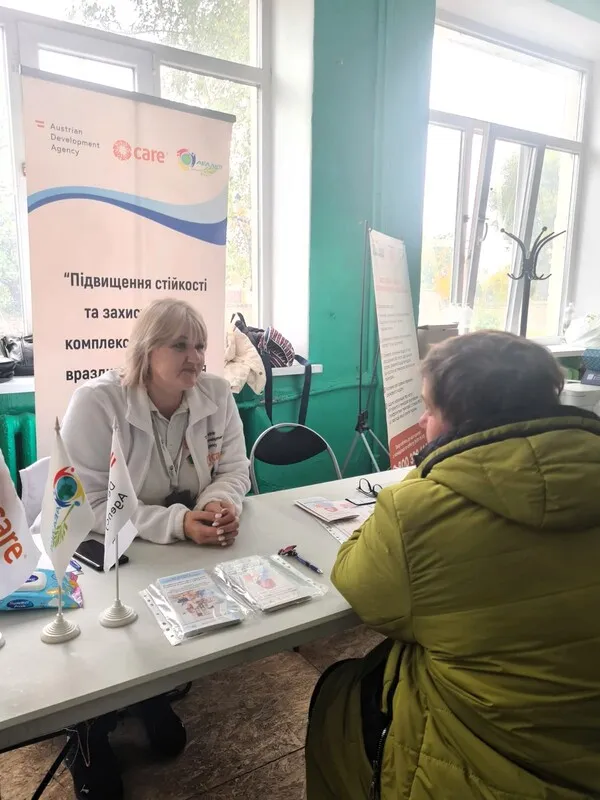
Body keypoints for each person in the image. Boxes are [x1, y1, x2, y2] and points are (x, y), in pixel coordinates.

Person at [305, 331, 600, 800]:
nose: (422, 421)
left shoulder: (417, 510)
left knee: (340, 693)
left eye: (428, 408)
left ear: (458, 420)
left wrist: (427, 473)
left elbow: (358, 585)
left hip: (477, 773)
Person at [60, 298, 250, 800]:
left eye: (201, 345)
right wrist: (178, 523)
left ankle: (149, 693)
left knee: (169, 616)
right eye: (180, 344)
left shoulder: (215, 394)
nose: (196, 357)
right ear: (146, 350)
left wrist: (216, 504)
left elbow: (234, 470)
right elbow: (91, 502)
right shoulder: (98, 403)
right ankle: (88, 730)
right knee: (108, 630)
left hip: (173, 547)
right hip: (101, 552)